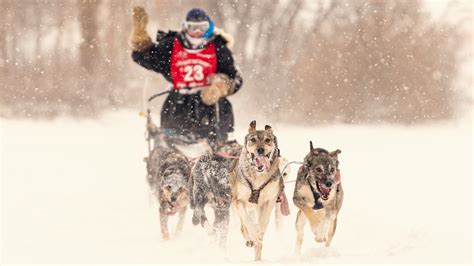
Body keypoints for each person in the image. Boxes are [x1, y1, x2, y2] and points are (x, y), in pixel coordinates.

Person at [130, 7, 242, 147]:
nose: (197, 32)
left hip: (211, 104)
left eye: (202, 28)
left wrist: (220, 87)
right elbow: (146, 58)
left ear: (209, 28)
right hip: (178, 103)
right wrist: (140, 37)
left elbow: (235, 77)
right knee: (173, 145)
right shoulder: (172, 44)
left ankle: (220, 149)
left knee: (217, 145)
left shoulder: (218, 47)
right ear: (185, 27)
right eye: (193, 28)